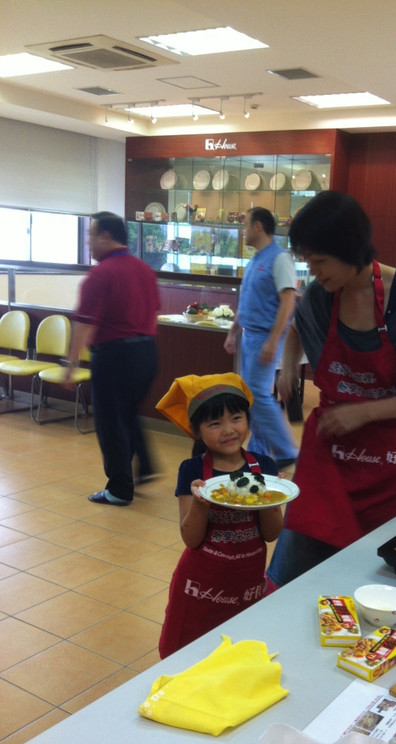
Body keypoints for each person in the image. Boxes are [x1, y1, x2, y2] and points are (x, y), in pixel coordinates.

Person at [266, 191, 396, 587]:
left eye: (320, 261)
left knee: (378, 577)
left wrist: (365, 410)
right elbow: (299, 328)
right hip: (330, 455)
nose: (313, 272)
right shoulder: (322, 293)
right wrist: (288, 367)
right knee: (290, 572)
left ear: (349, 248)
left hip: (390, 459)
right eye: (307, 262)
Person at [155, 373, 283, 658]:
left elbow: (272, 534)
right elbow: (191, 539)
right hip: (200, 586)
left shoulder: (264, 466)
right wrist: (201, 502)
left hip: (246, 581)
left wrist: (270, 499)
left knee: (234, 650)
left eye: (236, 418)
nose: (228, 430)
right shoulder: (192, 470)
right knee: (189, 654)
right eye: (215, 423)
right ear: (197, 431)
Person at [64, 211, 160, 506]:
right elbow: (154, 310)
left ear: (106, 236)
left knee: (110, 422)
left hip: (115, 355)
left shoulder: (100, 274)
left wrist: (71, 364)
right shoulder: (144, 269)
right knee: (127, 414)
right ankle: (144, 464)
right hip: (147, 353)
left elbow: (85, 323)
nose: (89, 242)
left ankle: (119, 489)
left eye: (91, 235)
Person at [224, 207, 298, 471]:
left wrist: (273, 340)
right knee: (250, 395)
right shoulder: (255, 260)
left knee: (256, 394)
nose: (243, 231)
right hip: (249, 336)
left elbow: (288, 301)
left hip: (266, 337)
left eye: (245, 225)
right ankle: (258, 451)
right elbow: (245, 302)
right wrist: (234, 331)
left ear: (258, 227)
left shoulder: (279, 259)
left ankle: (287, 450)